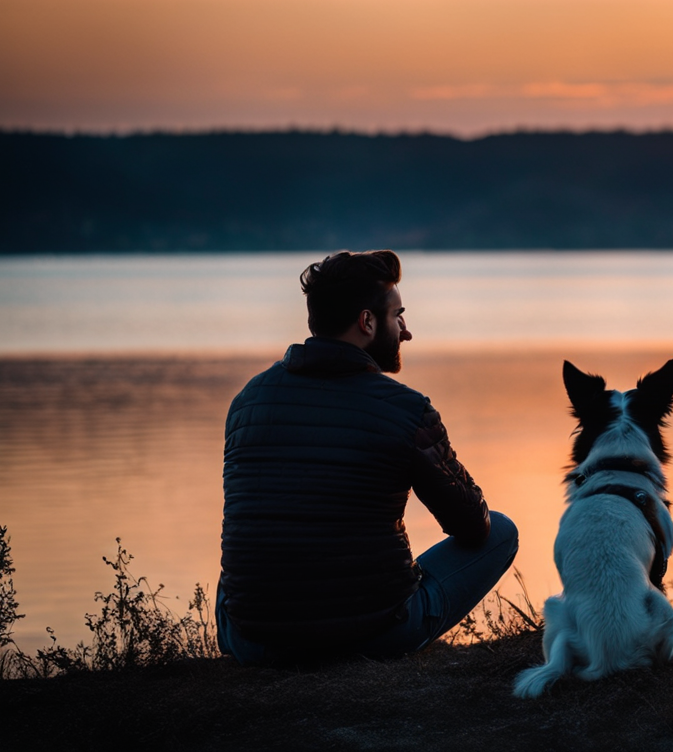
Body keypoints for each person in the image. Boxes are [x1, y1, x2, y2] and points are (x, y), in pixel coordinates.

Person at [216, 250, 518, 665]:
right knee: (502, 530)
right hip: (374, 637)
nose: (406, 331)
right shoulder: (405, 409)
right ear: (367, 322)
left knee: (251, 549)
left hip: (251, 641)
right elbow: (473, 527)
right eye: (398, 316)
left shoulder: (248, 401)